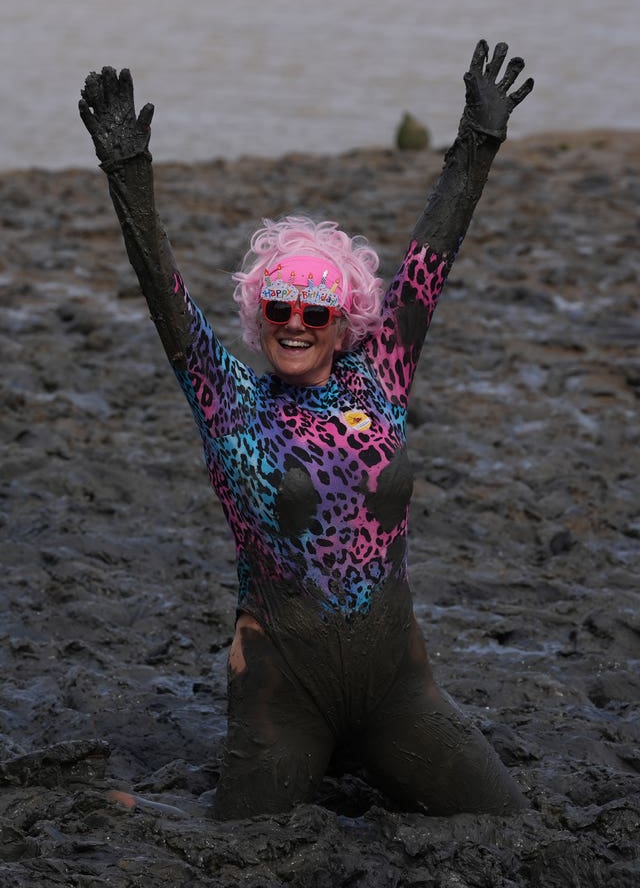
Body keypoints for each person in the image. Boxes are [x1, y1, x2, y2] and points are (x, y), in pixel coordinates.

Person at [79, 40, 533, 820]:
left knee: (507, 822)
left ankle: (362, 750)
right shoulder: (230, 401)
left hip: (397, 685)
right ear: (260, 316)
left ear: (341, 320)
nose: (295, 323)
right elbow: (166, 291)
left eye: (314, 311)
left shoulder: (380, 371)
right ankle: (152, 806)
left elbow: (431, 258)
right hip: (285, 687)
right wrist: (127, 170)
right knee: (232, 843)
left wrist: (478, 139)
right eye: (278, 308)